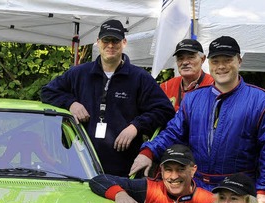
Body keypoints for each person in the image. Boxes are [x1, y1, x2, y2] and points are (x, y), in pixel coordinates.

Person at [130, 36, 265, 203]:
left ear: (239, 61)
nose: (221, 66)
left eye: (227, 60)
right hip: (198, 189)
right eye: (216, 61)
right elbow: (172, 132)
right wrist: (148, 151)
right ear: (209, 62)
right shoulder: (194, 99)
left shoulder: (262, 101)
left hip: (239, 191)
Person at [40, 19, 174, 177]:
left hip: (123, 169)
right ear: (97, 42)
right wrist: (71, 103)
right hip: (80, 165)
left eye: (115, 41)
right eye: (106, 40)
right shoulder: (79, 74)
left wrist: (136, 126)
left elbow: (165, 110)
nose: (110, 45)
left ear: (124, 43)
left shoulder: (140, 78)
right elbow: (47, 92)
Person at [160, 39, 214, 111]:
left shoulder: (214, 85)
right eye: (180, 58)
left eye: (191, 57)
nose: (185, 62)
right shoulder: (166, 87)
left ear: (203, 59)